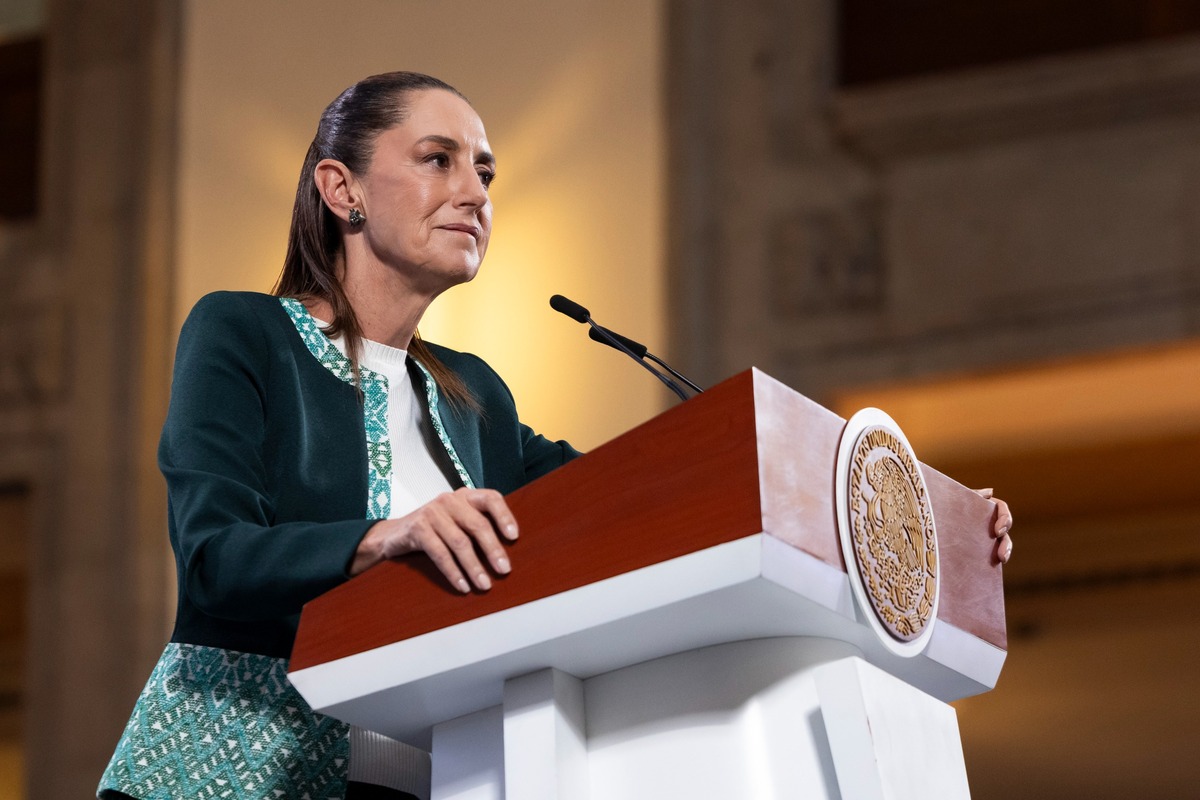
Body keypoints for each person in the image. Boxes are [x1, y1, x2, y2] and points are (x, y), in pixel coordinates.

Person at [98, 70, 1015, 800]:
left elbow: (634, 498)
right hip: (228, 777)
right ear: (342, 189)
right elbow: (216, 556)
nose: (473, 192)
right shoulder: (240, 333)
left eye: (485, 172)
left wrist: (898, 516)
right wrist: (385, 538)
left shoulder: (475, 398)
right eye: (438, 159)